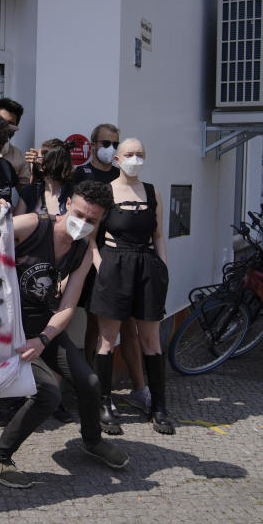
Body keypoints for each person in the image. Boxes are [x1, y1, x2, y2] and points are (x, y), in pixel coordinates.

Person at [0, 180, 129, 488]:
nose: (83, 224)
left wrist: (43, 338)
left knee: (89, 381)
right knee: (47, 393)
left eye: (93, 221)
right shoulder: (34, 225)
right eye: (81, 214)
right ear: (68, 203)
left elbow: (68, 306)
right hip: (4, 329)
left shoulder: (84, 250)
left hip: (42, 327)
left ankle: (91, 440)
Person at [90, 138, 174, 435]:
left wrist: (162, 268)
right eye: (129, 154)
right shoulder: (105, 192)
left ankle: (159, 406)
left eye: (140, 154)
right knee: (107, 339)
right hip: (114, 264)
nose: (135, 158)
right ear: (117, 159)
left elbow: (160, 234)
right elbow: (90, 237)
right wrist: (102, 268)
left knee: (151, 340)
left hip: (147, 266)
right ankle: (103, 404)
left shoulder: (153, 192)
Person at [74, 124, 151, 416]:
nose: (110, 147)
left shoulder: (127, 179)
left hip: (128, 264)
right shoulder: (82, 175)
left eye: (114, 143)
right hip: (99, 264)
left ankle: (140, 388)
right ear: (93, 144)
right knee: (97, 326)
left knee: (130, 327)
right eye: (105, 142)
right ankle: (93, 386)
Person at [16, 139, 74, 216]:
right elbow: (16, 225)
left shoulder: (74, 194)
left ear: (49, 162)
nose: (35, 160)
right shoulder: (29, 192)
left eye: (38, 157)